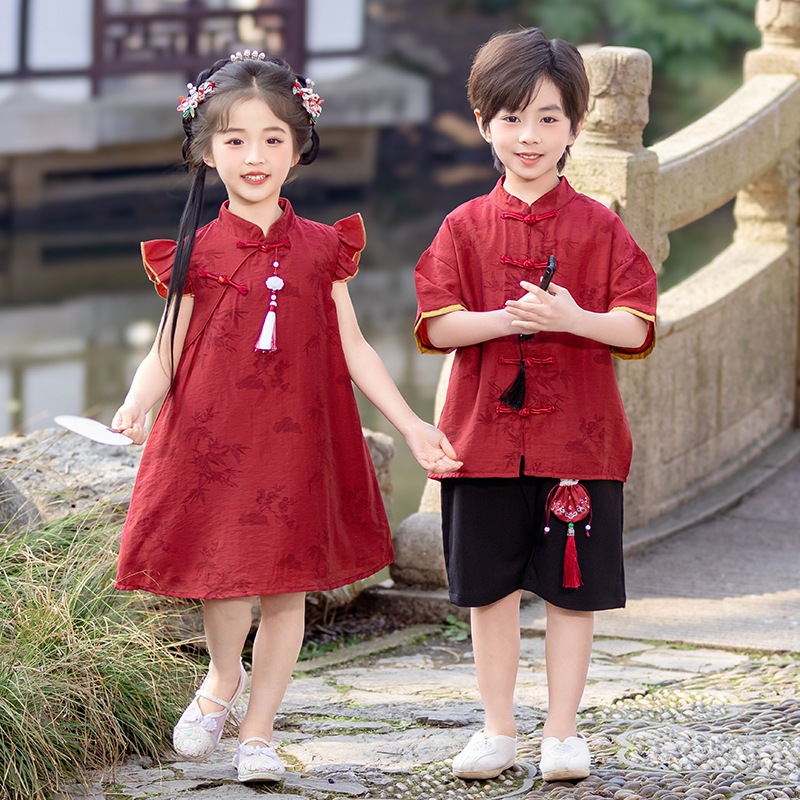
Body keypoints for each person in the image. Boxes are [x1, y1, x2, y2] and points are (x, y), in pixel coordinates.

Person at [112, 50, 461, 784]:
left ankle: (259, 734)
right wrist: (135, 404)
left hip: (299, 440)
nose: (254, 155)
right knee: (227, 581)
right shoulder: (196, 253)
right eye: (234, 139)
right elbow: (165, 352)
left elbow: (356, 347)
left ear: (299, 148)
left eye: (274, 137)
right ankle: (221, 681)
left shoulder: (323, 248)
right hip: (216, 441)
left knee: (286, 588)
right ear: (207, 149)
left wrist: (410, 423)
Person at [413, 28, 657, 783]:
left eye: (549, 119)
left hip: (579, 440)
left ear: (575, 129)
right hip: (481, 438)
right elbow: (438, 322)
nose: (530, 136)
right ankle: (495, 728)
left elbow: (637, 325)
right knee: (488, 595)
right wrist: (511, 319)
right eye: (512, 118)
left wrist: (572, 318)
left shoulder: (600, 226)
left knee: (569, 594)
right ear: (485, 123)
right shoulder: (461, 227)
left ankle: (561, 732)